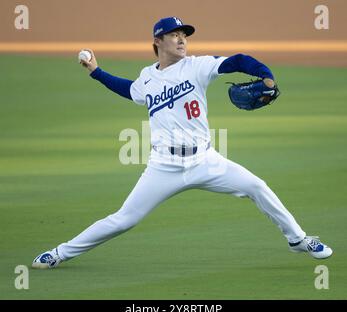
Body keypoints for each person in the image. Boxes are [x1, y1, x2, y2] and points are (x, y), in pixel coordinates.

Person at [32, 17, 332, 269]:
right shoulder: (147, 77)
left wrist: (264, 74)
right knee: (124, 219)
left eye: (183, 35)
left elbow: (237, 60)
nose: (181, 39)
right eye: (173, 35)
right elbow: (129, 90)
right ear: (157, 42)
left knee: (257, 186)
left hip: (206, 161)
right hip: (163, 166)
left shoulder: (197, 66)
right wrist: (97, 72)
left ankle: (298, 239)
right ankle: (59, 253)